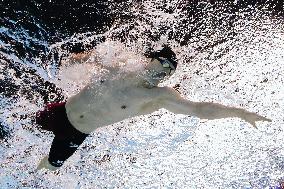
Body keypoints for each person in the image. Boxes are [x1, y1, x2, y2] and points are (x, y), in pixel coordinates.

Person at [36, 45, 271, 171]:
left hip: (76, 133)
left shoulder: (159, 96)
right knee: (24, 120)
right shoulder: (119, 66)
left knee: (51, 166)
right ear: (151, 59)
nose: (164, 72)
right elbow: (87, 59)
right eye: (163, 64)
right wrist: (71, 61)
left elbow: (199, 109)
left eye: (169, 71)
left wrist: (240, 113)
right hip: (61, 109)